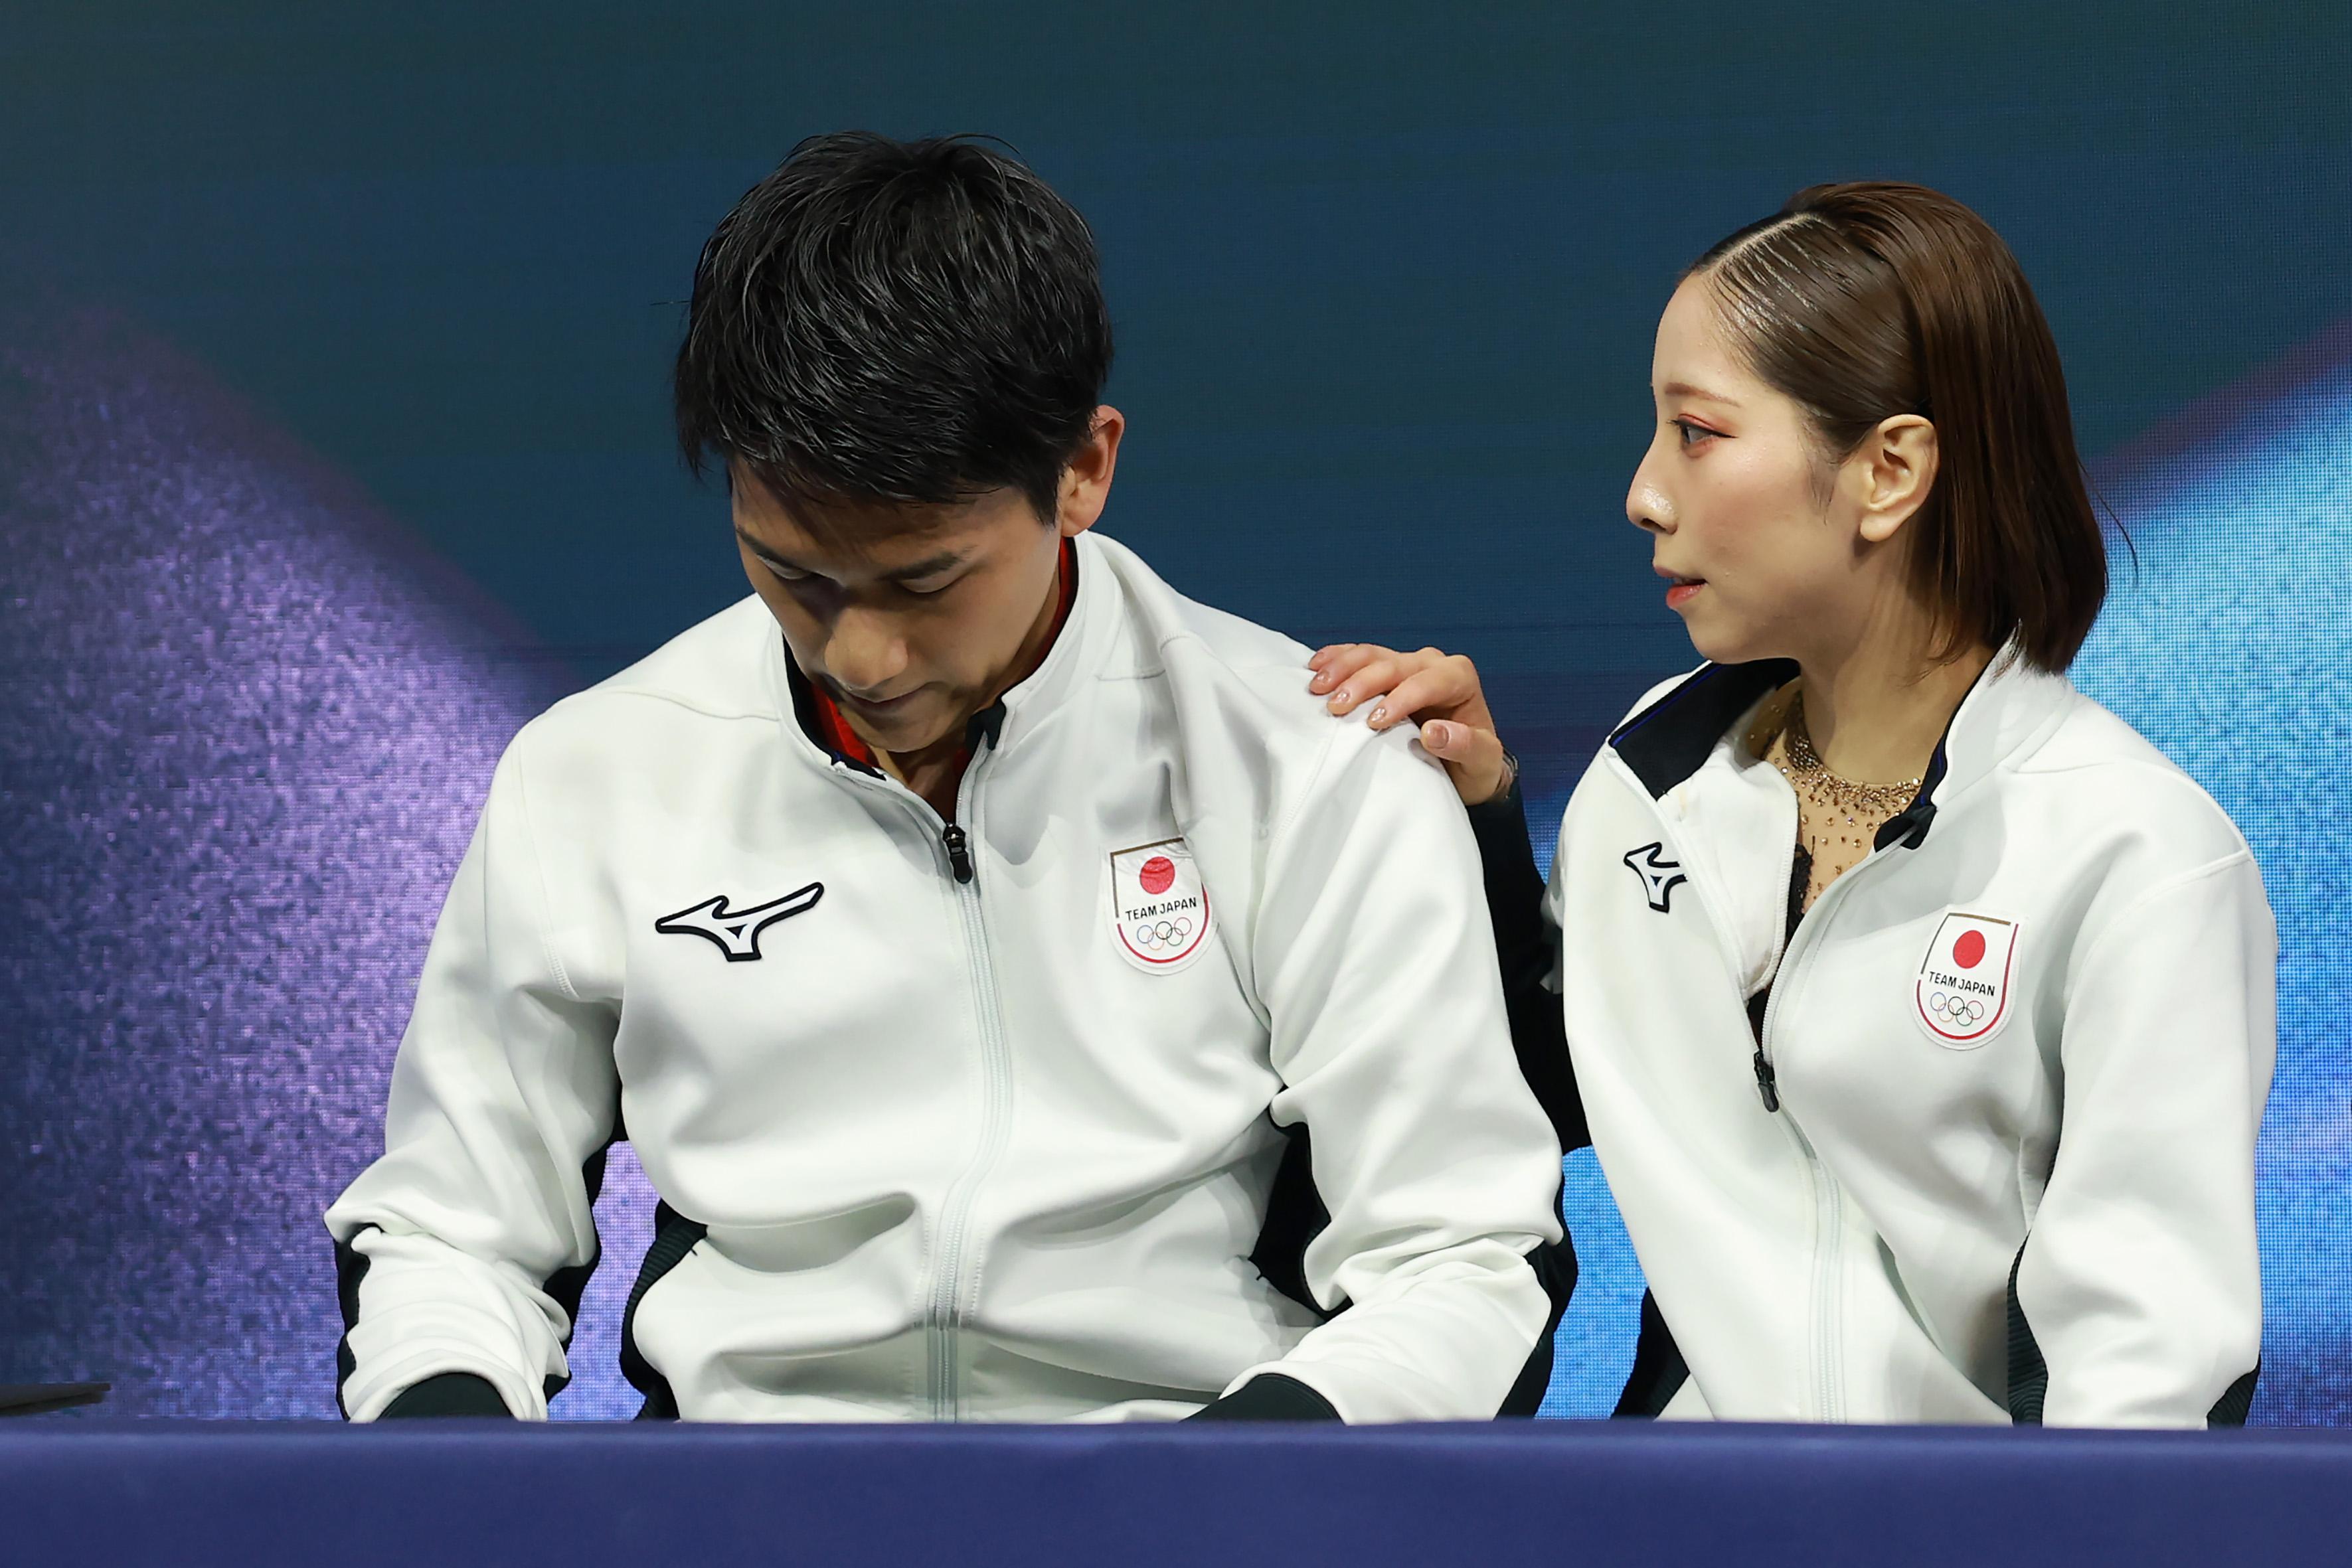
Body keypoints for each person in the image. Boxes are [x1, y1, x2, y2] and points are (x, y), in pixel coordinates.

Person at [326, 133, 1568, 1424]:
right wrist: (447, 1453)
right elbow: (449, 1227)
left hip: (1189, 1497)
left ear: (1083, 469)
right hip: (728, 1508)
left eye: (925, 580)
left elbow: (1461, 1252)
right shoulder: (594, 773)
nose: (862, 652)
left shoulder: (1308, 760)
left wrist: (1232, 1490)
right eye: (794, 573)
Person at [1315, 182, 2274, 1426]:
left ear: (1888, 471)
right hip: (1665, 1520)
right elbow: (1539, 1092)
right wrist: (1484, 814)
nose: (1643, 494)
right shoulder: (1643, 783)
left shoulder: (2137, 858)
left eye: (1696, 433)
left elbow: (2151, 1384)